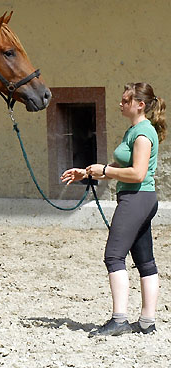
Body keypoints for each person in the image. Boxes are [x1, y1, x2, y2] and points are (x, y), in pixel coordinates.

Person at [61, 82, 166, 337]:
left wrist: (105, 171)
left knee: (113, 256)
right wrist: (87, 172)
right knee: (145, 261)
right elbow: (125, 166)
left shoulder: (142, 134)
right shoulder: (136, 130)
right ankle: (146, 322)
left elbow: (137, 173)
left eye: (125, 100)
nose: (121, 104)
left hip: (135, 199)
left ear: (140, 105)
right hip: (141, 198)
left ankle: (119, 320)